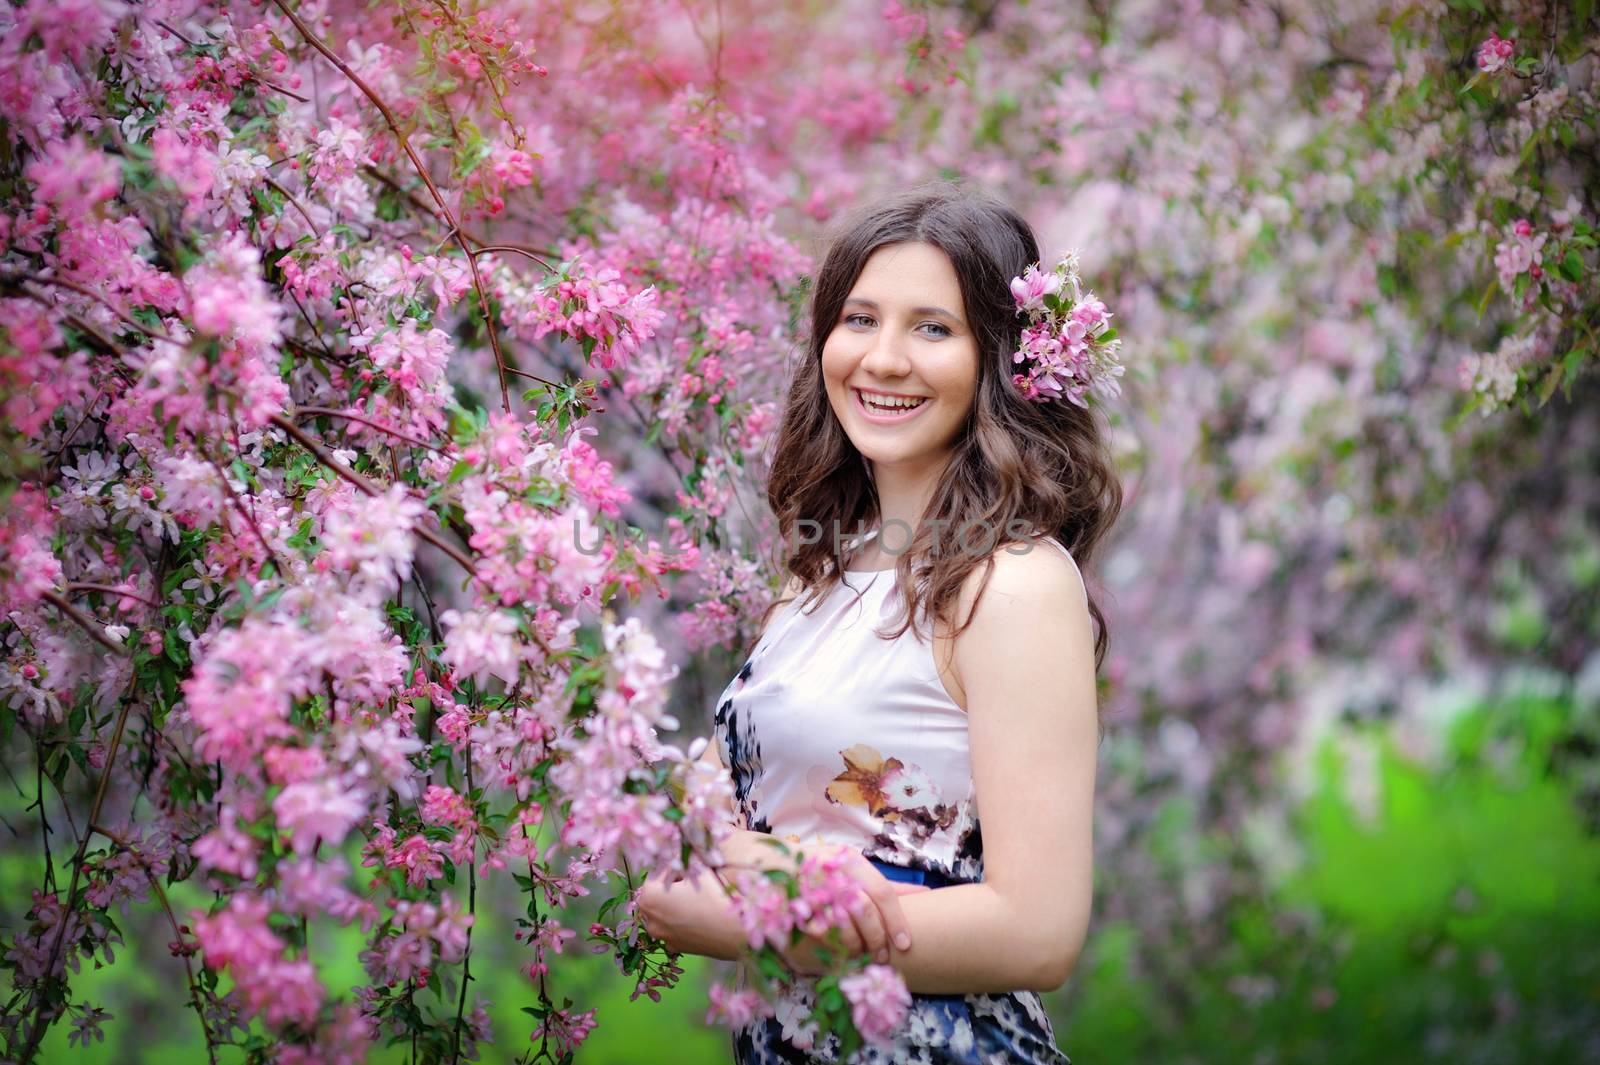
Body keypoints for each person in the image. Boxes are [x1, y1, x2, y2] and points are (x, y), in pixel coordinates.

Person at [637, 181, 1122, 1063]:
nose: (884, 359)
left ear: (1003, 360)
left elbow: (1040, 931)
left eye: (933, 328)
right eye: (859, 319)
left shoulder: (1011, 583)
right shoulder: (821, 572)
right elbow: (687, 824)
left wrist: (779, 923)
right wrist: (775, 872)